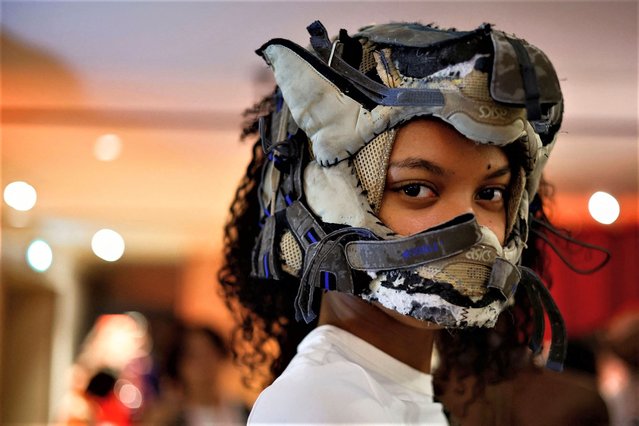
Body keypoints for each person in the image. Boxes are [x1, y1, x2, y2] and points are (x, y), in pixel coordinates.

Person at [220, 20, 566, 424]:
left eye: (490, 194)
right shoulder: (318, 405)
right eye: (416, 189)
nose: (472, 227)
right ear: (321, 204)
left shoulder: (385, 392)